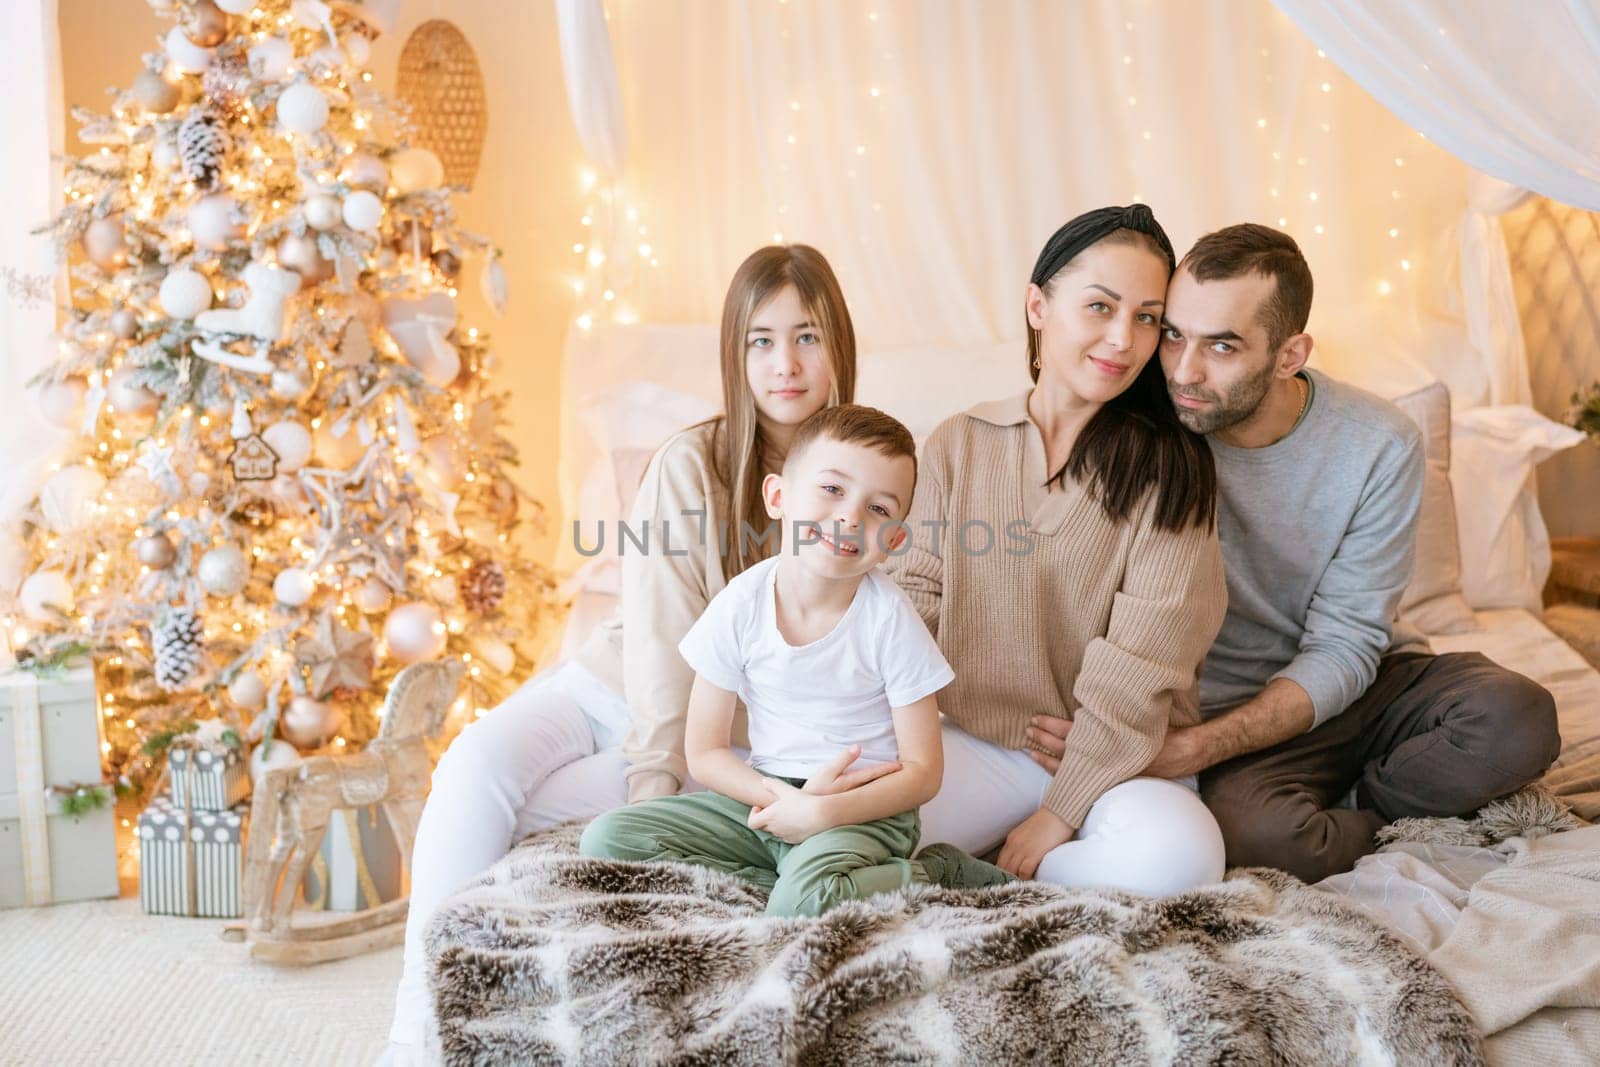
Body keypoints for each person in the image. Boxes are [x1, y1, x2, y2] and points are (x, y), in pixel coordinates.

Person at [383, 245, 866, 1059]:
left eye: (808, 336)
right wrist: (655, 785)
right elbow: (661, 640)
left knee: (534, 813)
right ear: (735, 354)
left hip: (727, 734)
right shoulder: (693, 462)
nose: (785, 363)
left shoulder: (865, 469)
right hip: (616, 688)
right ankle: (414, 1030)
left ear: (839, 347)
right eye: (761, 340)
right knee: (472, 766)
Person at [1025, 223, 1561, 883]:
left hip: (1358, 686)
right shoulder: (1142, 428)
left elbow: (1348, 644)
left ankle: (1366, 805)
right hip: (1227, 712)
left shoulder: (1378, 442)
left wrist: (1192, 750)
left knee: (1519, 714)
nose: (1185, 371)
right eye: (1173, 335)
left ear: (1290, 353)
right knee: (1264, 836)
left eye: (1222, 345)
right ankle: (1378, 809)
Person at [891, 204, 1229, 895]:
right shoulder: (960, 443)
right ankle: (989, 868)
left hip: (1121, 759)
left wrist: (1060, 809)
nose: (1122, 339)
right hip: (980, 744)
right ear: (1038, 306)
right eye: (1100, 306)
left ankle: (1011, 873)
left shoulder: (1172, 469)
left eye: (1146, 318)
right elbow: (909, 608)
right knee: (835, 824)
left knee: (1182, 859)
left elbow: (1143, 662)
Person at [581, 405, 1010, 915]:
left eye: (878, 509)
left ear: (894, 541)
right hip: (766, 798)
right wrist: (785, 805)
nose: (850, 516)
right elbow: (705, 752)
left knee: (801, 904)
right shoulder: (740, 605)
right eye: (832, 490)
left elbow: (922, 773)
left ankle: (931, 872)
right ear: (779, 497)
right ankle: (792, 878)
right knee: (608, 840)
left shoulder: (890, 620)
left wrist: (824, 812)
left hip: (863, 813)